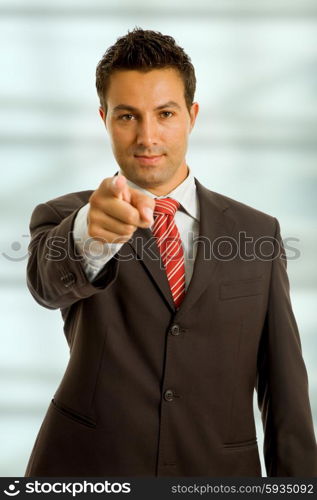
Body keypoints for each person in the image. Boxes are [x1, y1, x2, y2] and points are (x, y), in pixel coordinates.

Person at [25, 28, 317, 477]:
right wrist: (91, 233)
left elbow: (283, 385)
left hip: (217, 473)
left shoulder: (258, 231)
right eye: (127, 116)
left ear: (192, 115)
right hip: (90, 470)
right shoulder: (67, 215)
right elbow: (47, 284)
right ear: (103, 118)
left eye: (164, 113)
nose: (147, 136)